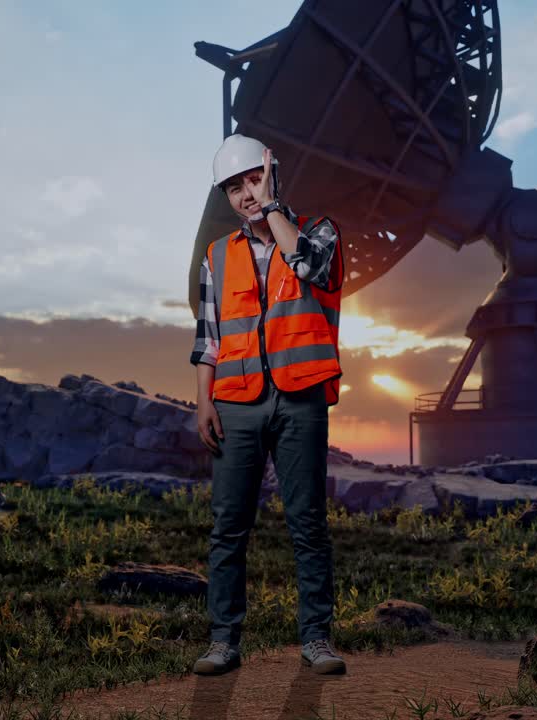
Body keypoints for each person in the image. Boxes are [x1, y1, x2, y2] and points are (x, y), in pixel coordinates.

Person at [188, 133, 347, 675]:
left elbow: (310, 268)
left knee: (307, 522)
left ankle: (316, 640)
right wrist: (203, 401)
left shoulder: (319, 233)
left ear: (272, 175)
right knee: (228, 526)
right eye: (233, 188)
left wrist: (275, 208)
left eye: (253, 179)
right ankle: (223, 641)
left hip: (300, 398)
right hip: (236, 400)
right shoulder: (217, 255)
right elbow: (209, 337)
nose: (245, 195)